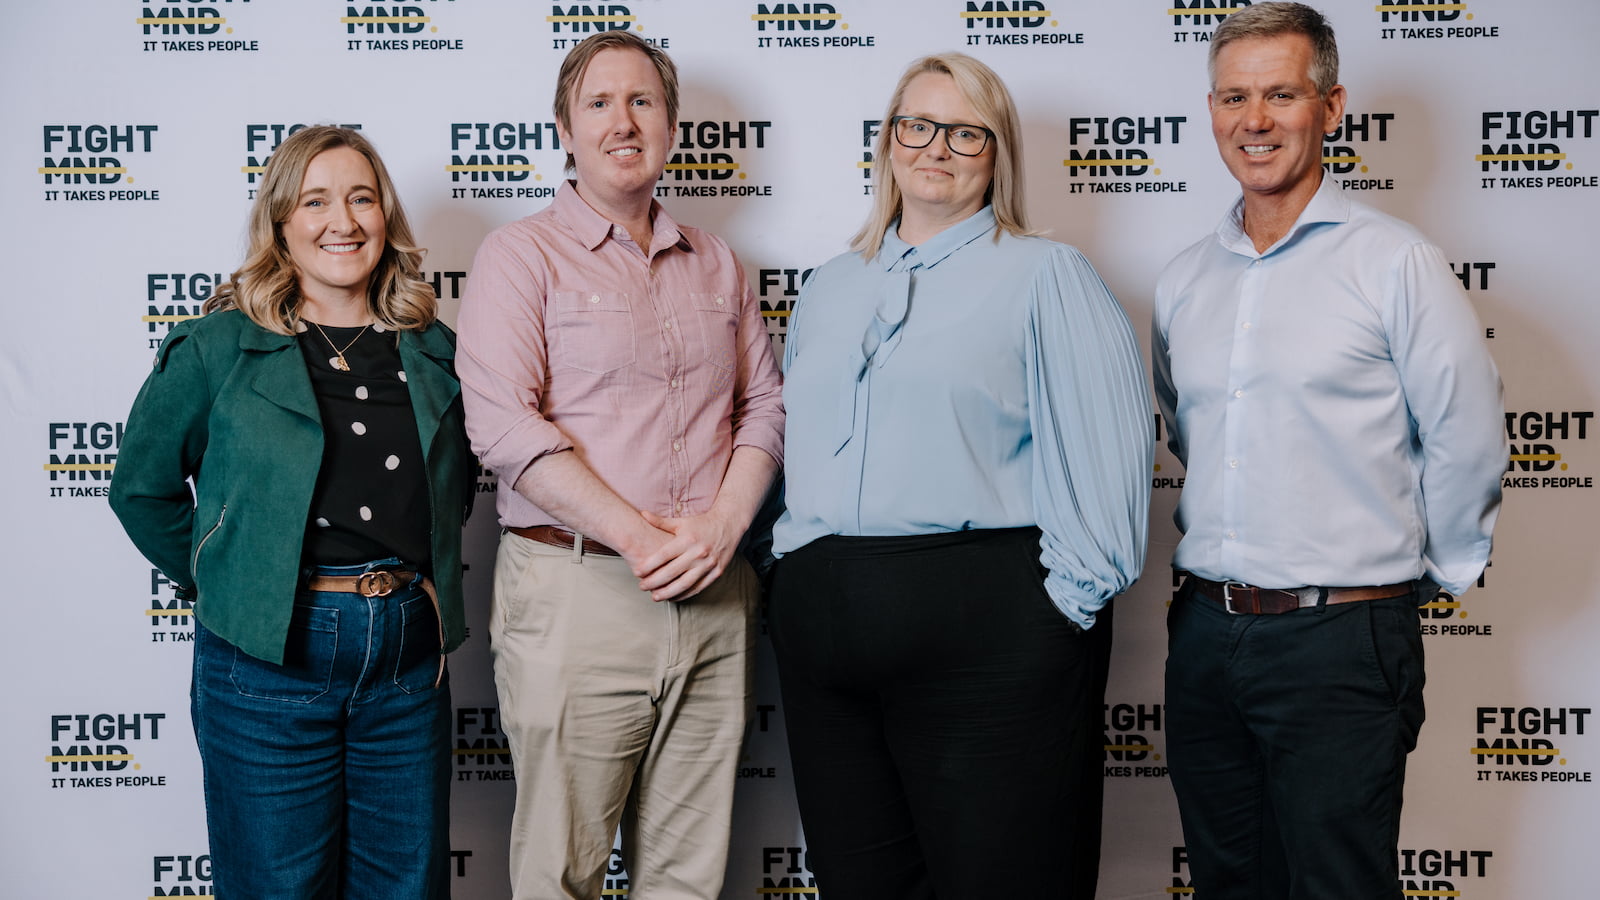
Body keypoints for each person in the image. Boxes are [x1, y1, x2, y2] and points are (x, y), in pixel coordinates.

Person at [768, 53, 1154, 900]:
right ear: (888, 140)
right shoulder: (829, 286)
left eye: (965, 132)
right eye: (918, 124)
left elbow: (1110, 457)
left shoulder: (1047, 275)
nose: (936, 147)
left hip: (989, 639)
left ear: (998, 152)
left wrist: (1058, 611)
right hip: (825, 636)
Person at [1152, 4, 1506, 898]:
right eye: (1234, 97)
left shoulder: (1395, 263)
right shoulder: (1184, 279)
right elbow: (1188, 429)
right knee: (1229, 884)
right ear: (1211, 110)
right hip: (1205, 635)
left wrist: (1416, 581)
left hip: (1342, 638)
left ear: (1332, 106)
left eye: (1281, 94)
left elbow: (1466, 433)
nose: (1255, 120)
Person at [455, 31, 784, 900]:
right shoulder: (519, 257)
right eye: (599, 103)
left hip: (714, 599)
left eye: (643, 101)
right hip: (578, 593)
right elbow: (504, 429)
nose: (623, 122)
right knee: (559, 874)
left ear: (672, 126)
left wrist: (724, 527)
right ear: (565, 129)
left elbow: (764, 406)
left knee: (687, 878)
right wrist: (642, 539)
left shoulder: (718, 261)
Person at [109, 125, 475, 898]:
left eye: (361, 199)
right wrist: (236, 576)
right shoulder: (216, 346)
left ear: (385, 217)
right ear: (280, 222)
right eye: (315, 201)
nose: (342, 221)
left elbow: (459, 484)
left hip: (407, 658)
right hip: (266, 658)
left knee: (407, 888)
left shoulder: (436, 349)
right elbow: (141, 489)